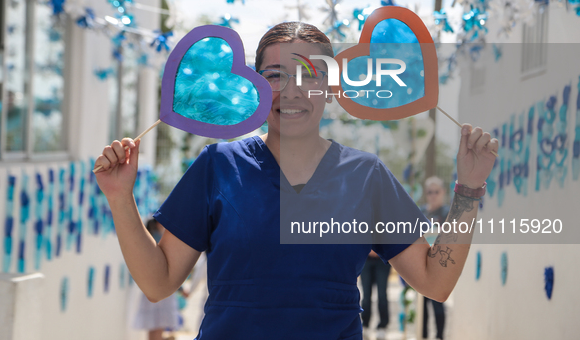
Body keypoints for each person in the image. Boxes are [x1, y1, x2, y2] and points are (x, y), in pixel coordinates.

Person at [94, 22, 499, 340]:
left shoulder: (367, 176)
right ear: (254, 85)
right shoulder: (219, 165)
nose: (292, 91)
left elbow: (436, 281)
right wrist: (119, 197)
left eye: (309, 75)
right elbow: (157, 282)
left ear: (330, 87)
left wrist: (468, 190)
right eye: (275, 75)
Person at [132, 218, 184, 340]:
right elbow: (171, 266)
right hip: (161, 286)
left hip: (149, 286)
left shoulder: (148, 239)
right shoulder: (159, 239)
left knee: (153, 326)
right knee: (158, 325)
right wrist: (180, 289)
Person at [420, 176, 450, 340]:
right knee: (421, 306)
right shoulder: (421, 211)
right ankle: (422, 335)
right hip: (421, 264)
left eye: (436, 192)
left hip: (438, 266)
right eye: (429, 192)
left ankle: (439, 336)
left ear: (443, 192)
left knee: (438, 303)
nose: (433, 195)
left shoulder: (447, 213)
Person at [360, 250, 391, 339]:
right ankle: (365, 325)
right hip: (366, 258)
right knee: (366, 295)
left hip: (383, 259)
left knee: (382, 295)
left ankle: (382, 326)